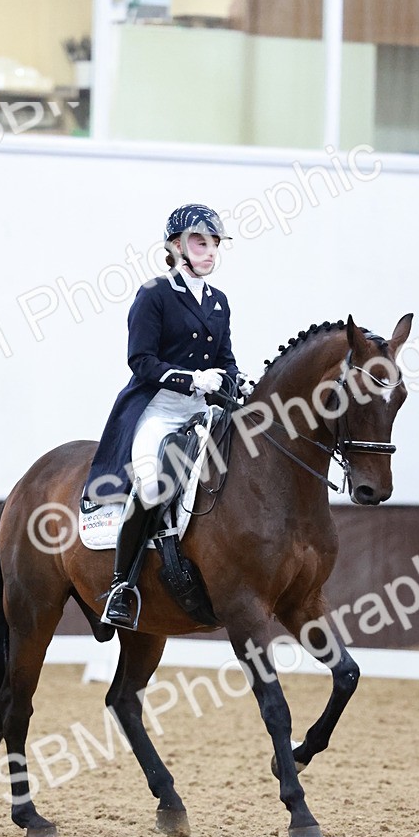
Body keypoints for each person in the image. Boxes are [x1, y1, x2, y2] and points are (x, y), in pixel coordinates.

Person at [83, 203, 252, 628]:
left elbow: (226, 359)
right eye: (200, 242)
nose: (210, 252)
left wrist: (237, 380)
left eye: (214, 244)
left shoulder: (218, 302)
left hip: (203, 413)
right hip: (158, 410)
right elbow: (140, 360)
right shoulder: (154, 294)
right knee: (153, 486)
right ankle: (121, 586)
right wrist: (191, 379)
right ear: (176, 246)